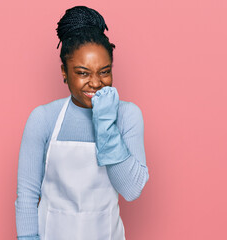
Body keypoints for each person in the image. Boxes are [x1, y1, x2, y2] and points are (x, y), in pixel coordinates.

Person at [15, 6, 149, 240]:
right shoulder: (43, 118)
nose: (96, 83)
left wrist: (106, 124)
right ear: (64, 72)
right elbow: (27, 194)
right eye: (83, 73)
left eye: (104, 72)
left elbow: (131, 190)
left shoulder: (128, 115)